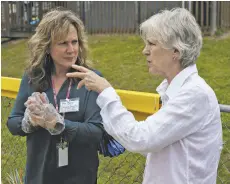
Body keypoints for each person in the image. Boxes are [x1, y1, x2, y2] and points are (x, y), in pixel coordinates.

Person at [66, 8, 223, 184]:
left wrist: (106, 92)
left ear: (176, 51)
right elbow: (152, 143)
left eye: (152, 44)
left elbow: (142, 139)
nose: (145, 51)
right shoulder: (175, 91)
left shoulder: (194, 94)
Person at [7, 8, 103, 184]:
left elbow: (96, 131)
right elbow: (13, 122)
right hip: (38, 175)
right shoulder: (32, 77)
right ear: (47, 46)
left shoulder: (91, 79)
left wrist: (59, 124)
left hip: (79, 176)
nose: (71, 49)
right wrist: (30, 121)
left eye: (75, 42)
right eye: (63, 43)